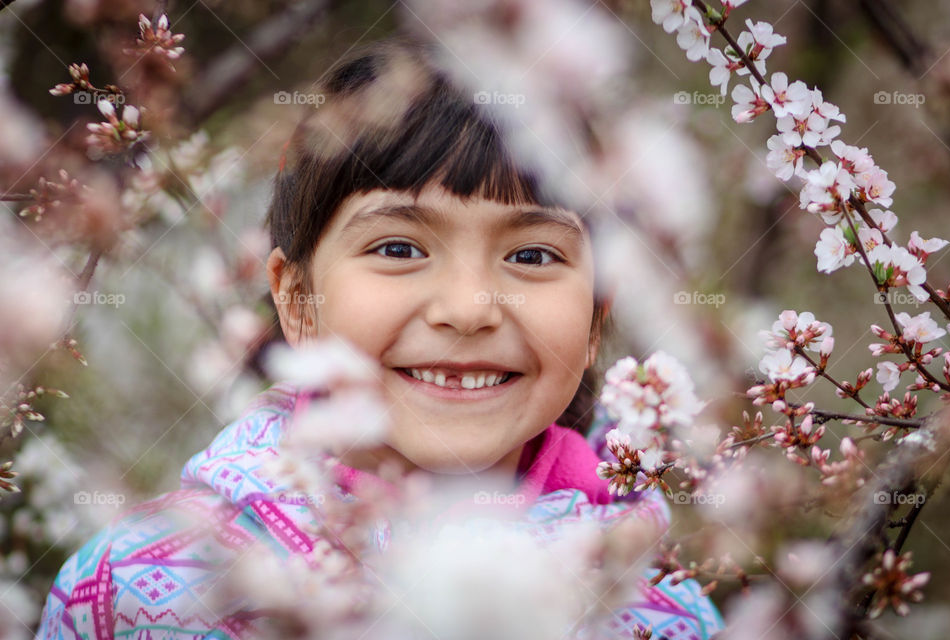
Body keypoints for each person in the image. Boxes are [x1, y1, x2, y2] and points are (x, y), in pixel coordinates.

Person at [35, 39, 724, 639]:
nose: (467, 310)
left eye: (534, 257)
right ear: (296, 299)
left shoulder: (664, 610)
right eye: (398, 247)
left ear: (597, 316)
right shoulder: (143, 593)